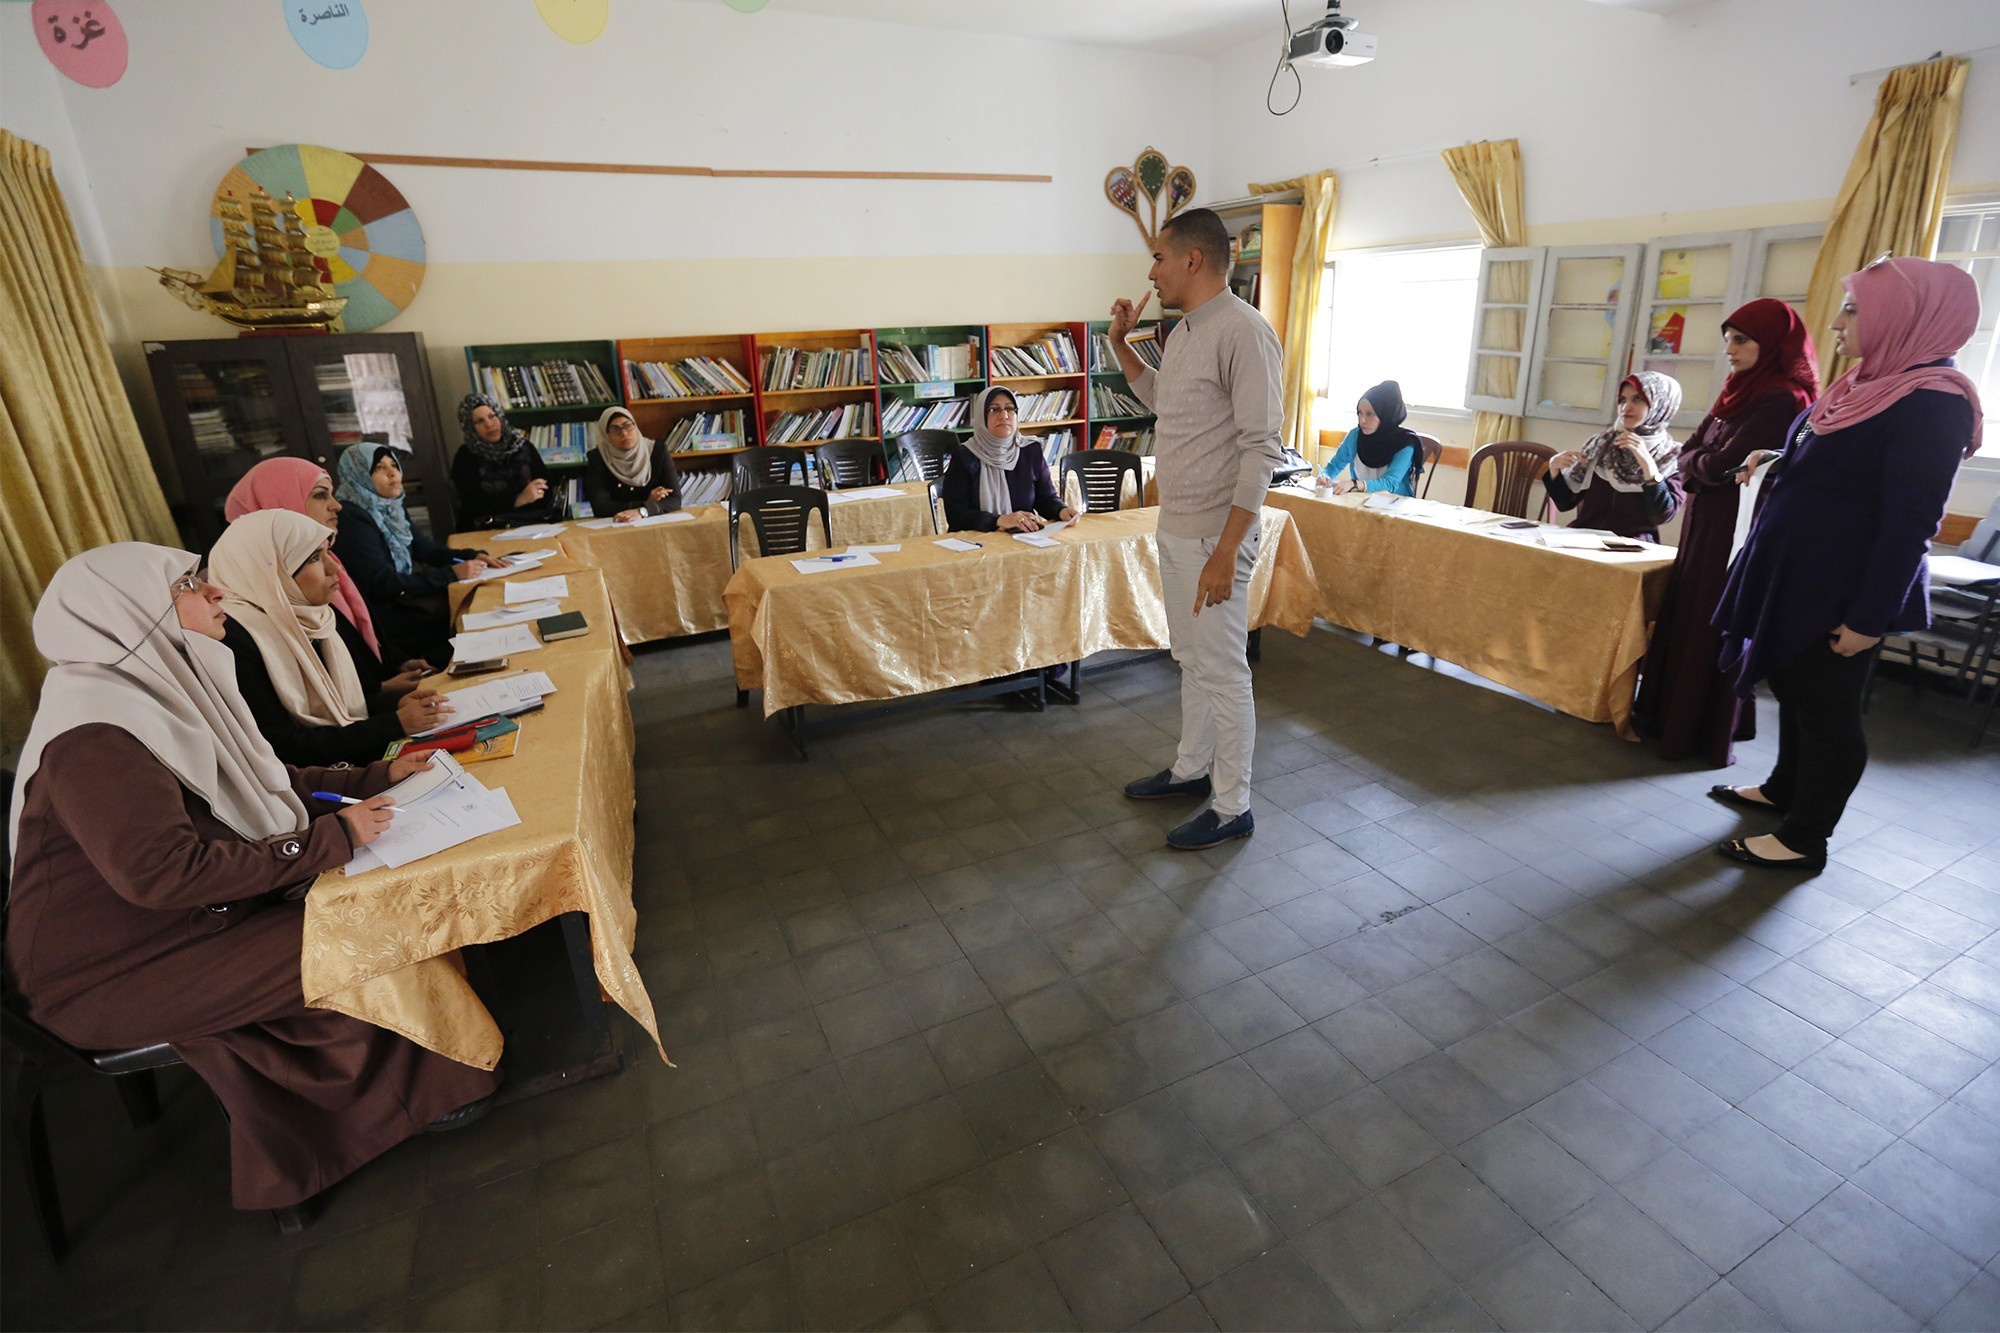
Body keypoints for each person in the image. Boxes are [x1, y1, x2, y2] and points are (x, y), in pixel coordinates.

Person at [5, 544, 499, 1214]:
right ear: (127, 613)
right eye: (189, 585)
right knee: (365, 927)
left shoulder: (154, 685)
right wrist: (329, 838)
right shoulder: (94, 735)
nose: (215, 594)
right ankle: (410, 1093)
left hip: (179, 926)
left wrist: (377, 777)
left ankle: (407, 1075)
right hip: (112, 970)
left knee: (369, 900)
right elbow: (162, 873)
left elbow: (263, 782)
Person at [1712, 257, 1982, 869]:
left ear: (1905, 316)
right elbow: (1845, 467)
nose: (1836, 323)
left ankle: (1804, 839)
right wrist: (1777, 457)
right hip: (1799, 574)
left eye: (1853, 309)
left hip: (1842, 589)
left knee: (1826, 711)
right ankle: (1784, 789)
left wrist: (1868, 617)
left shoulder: (1932, 403)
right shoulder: (1867, 383)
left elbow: (1912, 522)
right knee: (1791, 686)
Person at [1106, 207, 1284, 851]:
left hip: (1215, 538)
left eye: (1159, 257)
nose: (1151, 272)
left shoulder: (1245, 332)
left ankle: (1233, 806)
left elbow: (1262, 449)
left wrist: (1227, 550)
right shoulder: (1184, 331)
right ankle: (1191, 770)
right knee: (1191, 660)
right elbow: (1164, 401)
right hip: (1178, 528)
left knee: (1224, 671)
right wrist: (1120, 344)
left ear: (1192, 259)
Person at [1634, 300, 1819, 765]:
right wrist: (1703, 466)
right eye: (1727, 340)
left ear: (1771, 343)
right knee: (1688, 611)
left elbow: (1719, 464)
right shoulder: (1739, 389)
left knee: (1711, 620)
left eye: (1740, 340)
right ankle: (1668, 717)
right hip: (1706, 520)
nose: (1729, 350)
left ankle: (1701, 730)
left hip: (1735, 528)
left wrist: (1701, 466)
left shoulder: (1782, 397)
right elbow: (1692, 453)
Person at [210, 510, 454, 767]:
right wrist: (394, 722)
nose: (334, 567)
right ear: (270, 571)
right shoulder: (236, 642)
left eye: (328, 552)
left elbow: (341, 708)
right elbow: (284, 747)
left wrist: (394, 704)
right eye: (315, 557)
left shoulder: (315, 615)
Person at [224, 457, 434, 700]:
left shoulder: (329, 558)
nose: (336, 506)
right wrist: (381, 691)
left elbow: (355, 634)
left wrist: (396, 663)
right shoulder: (270, 588)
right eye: (320, 495)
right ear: (276, 504)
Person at [332, 443, 488, 670]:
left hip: (403, 598)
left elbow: (426, 550)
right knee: (463, 622)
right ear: (358, 473)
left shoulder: (390, 506)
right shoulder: (352, 517)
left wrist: (471, 556)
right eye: (379, 468)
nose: (392, 473)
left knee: (475, 608)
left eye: (394, 465)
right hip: (385, 614)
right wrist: (450, 574)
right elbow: (382, 581)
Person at [1543, 372, 1686, 541]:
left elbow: (1662, 516)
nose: (1626, 408)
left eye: (1637, 399)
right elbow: (1565, 503)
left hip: (1632, 546)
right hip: (1584, 540)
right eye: (1622, 400)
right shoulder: (1601, 444)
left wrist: (1648, 465)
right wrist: (1554, 470)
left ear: (1660, 405)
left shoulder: (1673, 456)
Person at [939, 387, 1080, 532]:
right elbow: (956, 514)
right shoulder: (965, 455)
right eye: (994, 410)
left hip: (1023, 537)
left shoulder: (1030, 450)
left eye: (1010, 409)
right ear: (982, 416)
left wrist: (1061, 510)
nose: (1004, 415)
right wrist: (999, 520)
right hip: (976, 540)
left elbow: (1046, 498)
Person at [451, 393, 560, 530]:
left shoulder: (523, 446)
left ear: (500, 416)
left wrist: (533, 496)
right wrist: (519, 499)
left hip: (531, 524)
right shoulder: (465, 456)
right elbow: (472, 502)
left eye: (492, 416)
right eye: (479, 421)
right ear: (470, 428)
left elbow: (545, 487)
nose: (489, 424)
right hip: (485, 529)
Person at [1316, 381, 1424, 497]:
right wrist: (1324, 477)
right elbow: (1334, 466)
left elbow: (1390, 483)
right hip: (1360, 501)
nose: (1362, 420)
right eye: (1360, 413)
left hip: (1394, 503)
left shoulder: (1405, 443)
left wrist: (1354, 484)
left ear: (1386, 415)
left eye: (1370, 414)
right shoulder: (1355, 435)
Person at [583, 406, 682, 522]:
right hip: (616, 524)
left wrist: (642, 511)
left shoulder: (658, 451)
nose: (624, 433)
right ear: (606, 435)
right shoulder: (598, 458)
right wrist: (647, 502)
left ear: (636, 426)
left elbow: (675, 500)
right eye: (615, 429)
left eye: (628, 425)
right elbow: (600, 507)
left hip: (654, 522)